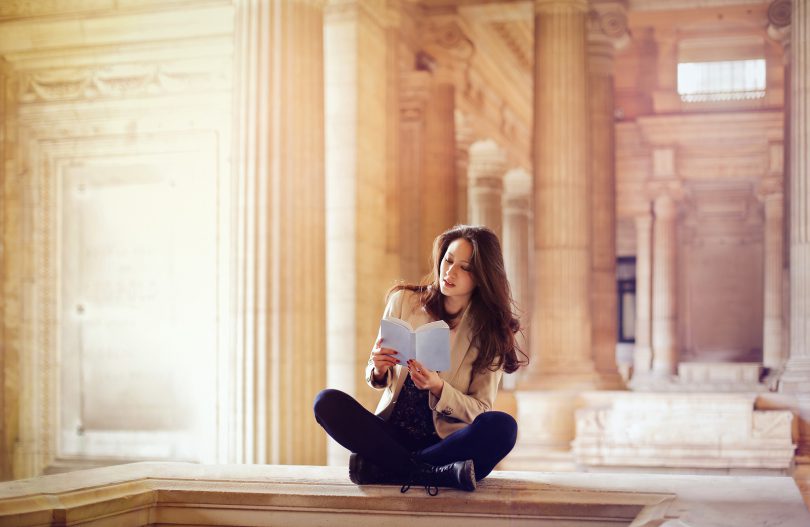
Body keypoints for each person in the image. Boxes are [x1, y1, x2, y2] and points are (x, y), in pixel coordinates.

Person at [313, 225, 527, 495]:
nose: (450, 272)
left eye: (465, 268)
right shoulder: (403, 301)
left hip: (446, 443)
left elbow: (480, 410)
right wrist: (378, 369)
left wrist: (439, 388)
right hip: (391, 436)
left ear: (482, 276)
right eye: (448, 261)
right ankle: (436, 473)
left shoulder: (489, 331)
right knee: (326, 402)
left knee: (503, 427)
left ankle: (389, 470)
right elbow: (376, 373)